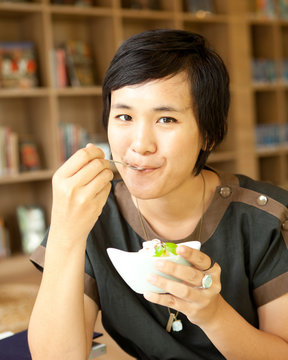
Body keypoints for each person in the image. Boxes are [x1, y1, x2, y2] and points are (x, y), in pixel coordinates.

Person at [28, 29, 288, 360]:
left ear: (209, 132)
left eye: (166, 119)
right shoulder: (90, 211)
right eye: (124, 116)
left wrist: (213, 315)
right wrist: (65, 233)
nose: (140, 144)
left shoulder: (267, 218)